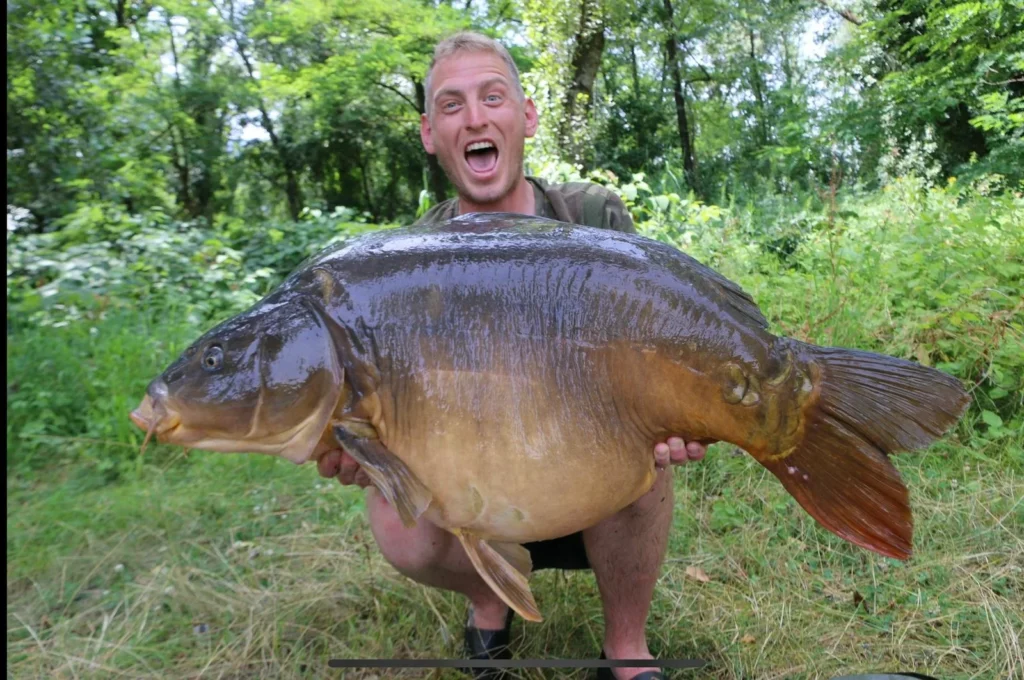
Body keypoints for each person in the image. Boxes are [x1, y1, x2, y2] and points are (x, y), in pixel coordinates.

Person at [316, 32, 709, 680]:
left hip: (585, 477)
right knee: (394, 518)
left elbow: (649, 345)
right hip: (475, 487)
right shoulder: (407, 263)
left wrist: (672, 416)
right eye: (451, 105)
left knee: (646, 456)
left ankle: (627, 649)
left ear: (525, 115)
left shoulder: (591, 216)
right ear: (427, 132)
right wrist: (368, 451)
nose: (475, 117)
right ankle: (487, 599)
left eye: (492, 97)